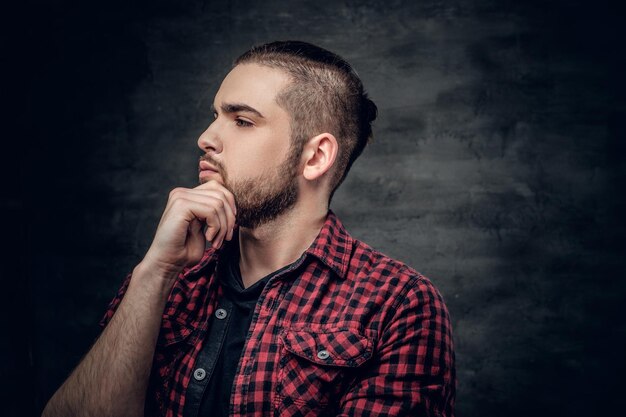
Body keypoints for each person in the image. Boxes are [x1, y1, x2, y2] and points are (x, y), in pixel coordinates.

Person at [42, 40, 455, 417]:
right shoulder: (171, 277)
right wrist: (154, 274)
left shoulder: (397, 304)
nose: (206, 138)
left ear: (315, 157)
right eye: (214, 117)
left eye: (242, 121)